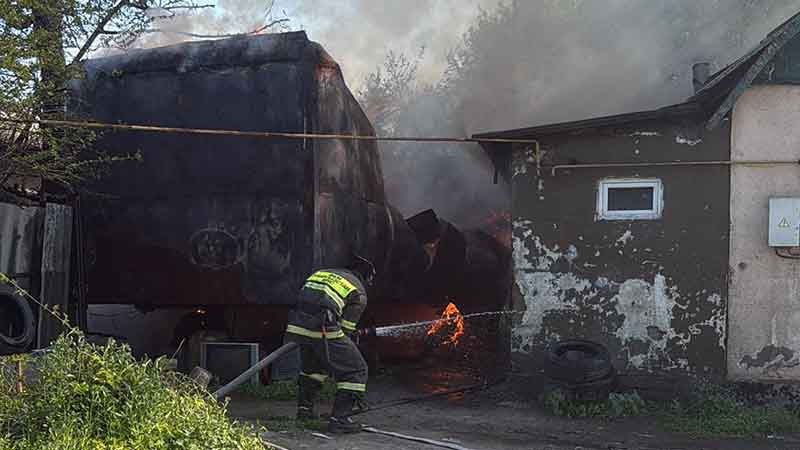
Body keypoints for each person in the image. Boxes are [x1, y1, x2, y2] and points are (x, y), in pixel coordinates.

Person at [284, 253, 375, 434]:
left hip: (297, 327)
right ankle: (340, 419)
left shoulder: (323, 273)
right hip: (323, 329)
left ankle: (304, 412)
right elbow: (346, 330)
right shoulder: (359, 291)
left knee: (313, 369)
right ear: (365, 277)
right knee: (356, 370)